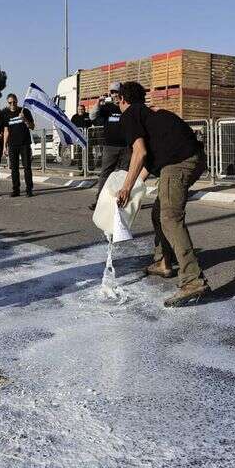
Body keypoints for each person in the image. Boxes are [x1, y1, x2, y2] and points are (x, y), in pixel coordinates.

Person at [116, 81, 209, 307]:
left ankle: (192, 280)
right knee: (158, 212)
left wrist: (126, 187)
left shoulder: (129, 114)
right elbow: (149, 161)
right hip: (193, 159)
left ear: (122, 100)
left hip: (178, 164)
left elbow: (140, 152)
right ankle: (163, 262)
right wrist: (136, 185)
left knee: (169, 217)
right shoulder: (153, 114)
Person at [89, 82, 130, 210]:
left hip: (126, 146)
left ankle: (122, 200)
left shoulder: (127, 106)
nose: (114, 95)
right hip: (110, 146)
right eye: (112, 92)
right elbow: (92, 116)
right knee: (105, 173)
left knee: (124, 174)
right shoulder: (107, 108)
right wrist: (98, 103)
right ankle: (99, 200)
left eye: (116, 92)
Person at [2, 93, 35, 198]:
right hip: (12, 145)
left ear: (17, 101)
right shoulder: (5, 114)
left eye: (14, 102)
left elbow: (32, 126)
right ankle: (16, 189)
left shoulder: (24, 111)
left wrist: (24, 119)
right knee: (14, 169)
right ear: (8, 103)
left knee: (27, 167)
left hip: (24, 144)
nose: (12, 104)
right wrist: (4, 146)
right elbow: (6, 130)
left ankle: (29, 189)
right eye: (10, 102)